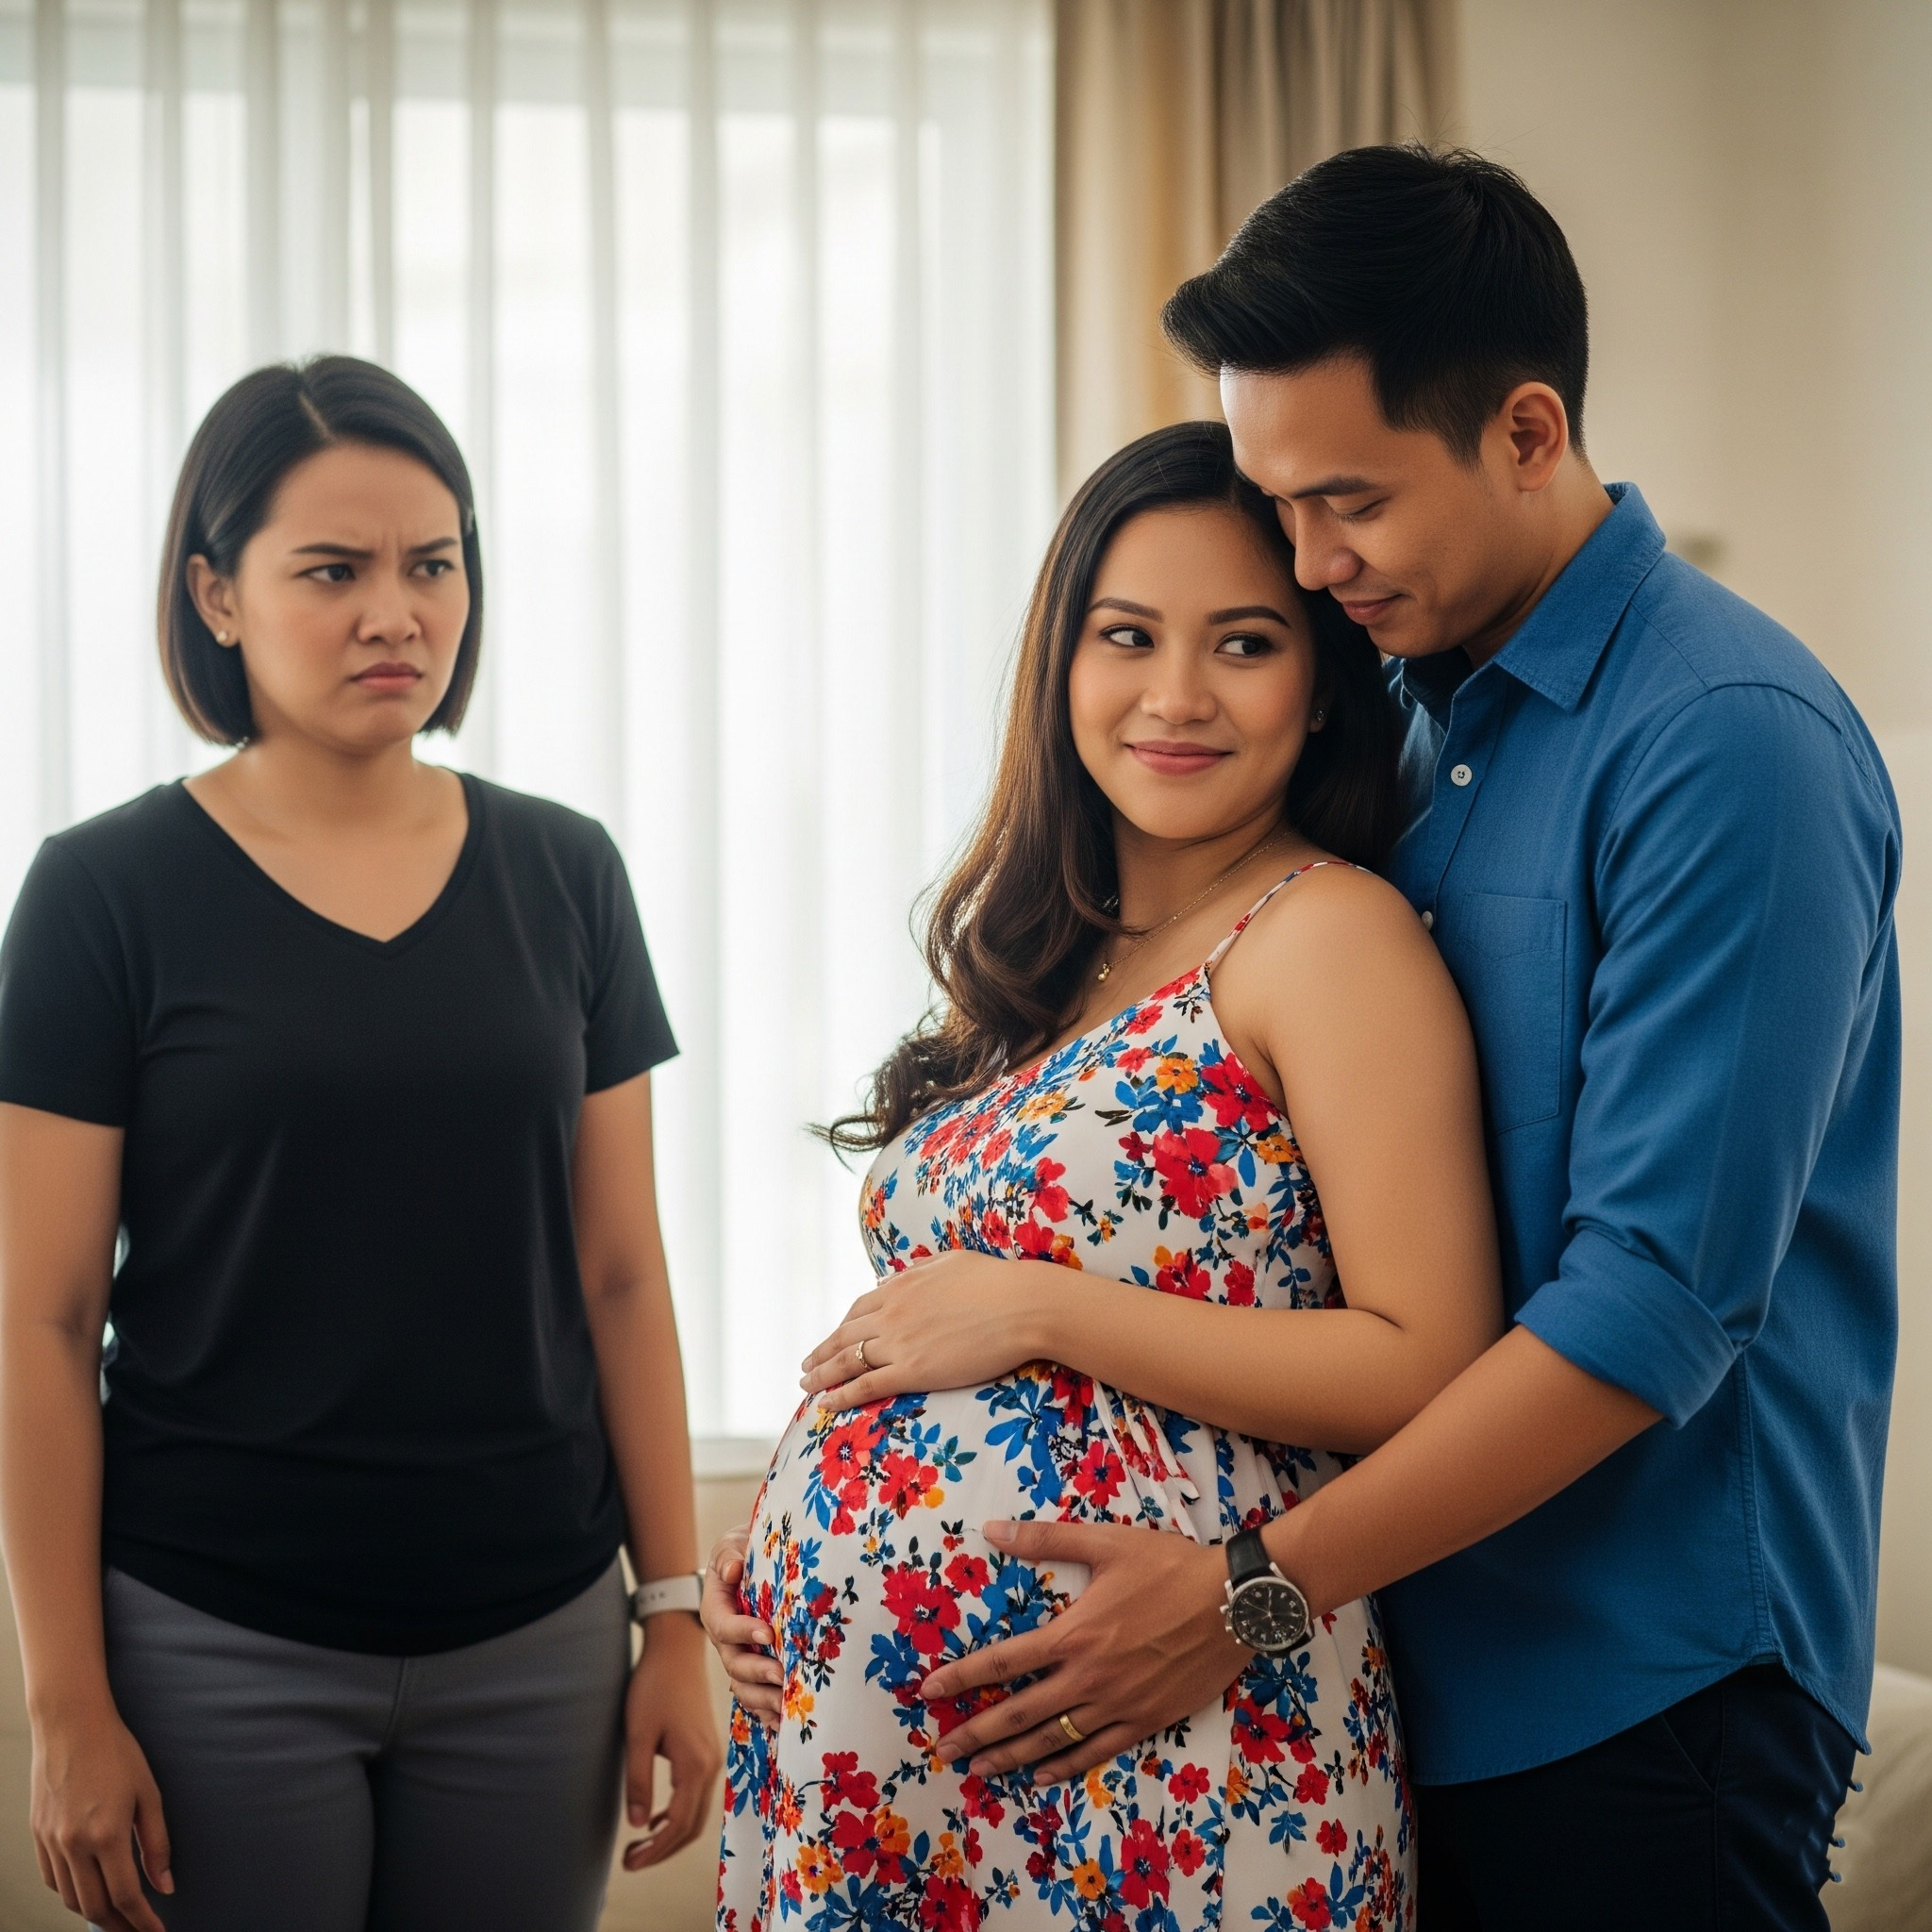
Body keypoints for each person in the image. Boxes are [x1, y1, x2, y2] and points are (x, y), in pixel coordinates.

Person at [708, 148, 1902, 1929]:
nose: (1312, 559)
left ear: (1526, 431)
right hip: (1395, 1649)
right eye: (1281, 503)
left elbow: (1652, 1303)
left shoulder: (1725, 737)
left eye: (1348, 502)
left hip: (1635, 1683)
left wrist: (1247, 1594)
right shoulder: (1411, 714)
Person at [710, 419, 1505, 1931]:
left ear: (1323, 686)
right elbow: (931, 1326)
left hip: (1174, 1752)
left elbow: (1428, 1364)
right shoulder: (1037, 964)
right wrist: (774, 1555)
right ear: (1059, 664)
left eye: (1245, 643)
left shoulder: (1326, 936)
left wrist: (1043, 1309)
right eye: (1127, 636)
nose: (1176, 695)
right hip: (873, 1767)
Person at [0, 356, 720, 1932]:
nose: (396, 614)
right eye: (333, 571)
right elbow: (41, 1321)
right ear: (218, 594)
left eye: (432, 565)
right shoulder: (100, 893)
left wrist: (671, 1614)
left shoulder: (568, 874)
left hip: (537, 1632)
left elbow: (619, 1273)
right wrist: (67, 1704)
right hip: (213, 1634)